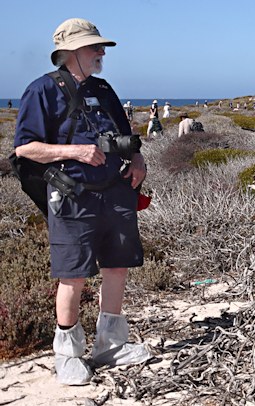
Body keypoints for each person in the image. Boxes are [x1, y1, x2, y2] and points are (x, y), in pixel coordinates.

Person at [13, 18, 151, 385]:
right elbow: (25, 147)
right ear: (72, 51)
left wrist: (137, 161)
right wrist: (74, 151)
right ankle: (67, 353)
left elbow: (126, 137)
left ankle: (110, 344)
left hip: (115, 193)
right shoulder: (41, 90)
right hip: (73, 196)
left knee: (118, 266)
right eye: (95, 47)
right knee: (72, 275)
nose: (101, 53)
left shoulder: (103, 89)